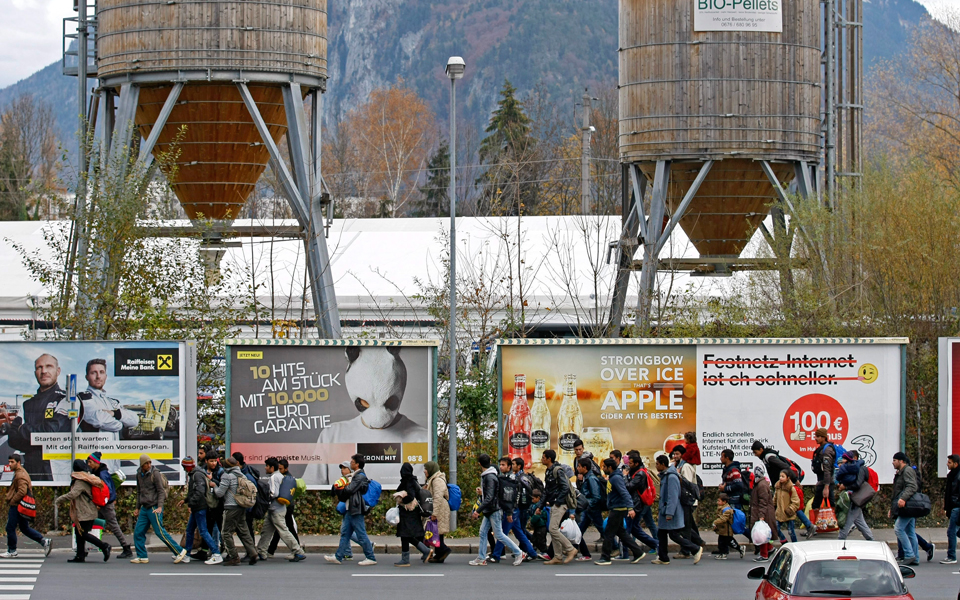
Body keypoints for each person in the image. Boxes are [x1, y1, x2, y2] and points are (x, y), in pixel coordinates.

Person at [304, 348, 428, 485]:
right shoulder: (331, 436)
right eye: (365, 403)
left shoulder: (422, 439)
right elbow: (311, 488)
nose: (377, 418)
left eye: (388, 402)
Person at [3, 354, 73, 481]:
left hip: (57, 473)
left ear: (58, 371)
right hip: (31, 471)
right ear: (35, 372)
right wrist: (39, 441)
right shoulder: (27, 404)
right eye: (39, 367)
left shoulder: (65, 400)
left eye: (49, 366)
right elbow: (12, 439)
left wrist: (22, 430)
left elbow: (51, 433)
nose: (44, 371)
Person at [77, 358, 139, 474]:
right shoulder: (83, 398)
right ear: (87, 377)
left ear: (106, 376)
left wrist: (115, 413)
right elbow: (99, 420)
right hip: (95, 466)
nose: (98, 376)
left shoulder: (112, 402)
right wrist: (120, 423)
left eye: (101, 372)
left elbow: (135, 420)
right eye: (93, 372)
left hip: (114, 465)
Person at [469, 453, 526, 566]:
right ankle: (481, 558)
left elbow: (490, 497)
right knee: (483, 532)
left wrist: (478, 510)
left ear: (479, 464)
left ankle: (519, 552)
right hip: (490, 509)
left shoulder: (489, 476)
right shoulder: (490, 475)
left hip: (493, 510)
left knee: (499, 534)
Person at [132, 454, 187, 564]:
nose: (149, 465)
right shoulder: (139, 474)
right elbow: (139, 491)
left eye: (149, 463)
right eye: (146, 463)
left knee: (160, 532)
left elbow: (161, 491)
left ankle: (179, 551)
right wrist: (137, 508)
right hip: (144, 507)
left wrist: (160, 507)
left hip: (154, 506)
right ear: (142, 465)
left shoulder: (155, 473)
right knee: (138, 532)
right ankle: (142, 556)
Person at [55, 459, 112, 563]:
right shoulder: (85, 477)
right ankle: (80, 556)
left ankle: (104, 546)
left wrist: (59, 499)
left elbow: (73, 494)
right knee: (79, 533)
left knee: (82, 534)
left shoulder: (80, 480)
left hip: (86, 512)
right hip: (86, 510)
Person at [325, 454, 377, 565]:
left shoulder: (359, 476)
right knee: (345, 533)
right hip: (351, 508)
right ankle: (338, 557)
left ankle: (371, 557)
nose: (351, 463)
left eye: (352, 461)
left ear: (357, 464)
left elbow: (349, 490)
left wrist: (339, 489)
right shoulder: (355, 475)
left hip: (356, 509)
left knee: (361, 534)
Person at [652, 455, 702, 565]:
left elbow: (673, 496)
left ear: (663, 464)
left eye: (657, 464)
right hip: (665, 510)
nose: (656, 466)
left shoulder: (671, 477)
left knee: (674, 535)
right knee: (662, 534)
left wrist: (669, 513)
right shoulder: (666, 476)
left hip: (671, 512)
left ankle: (695, 549)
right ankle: (663, 557)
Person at [595, 458, 646, 565]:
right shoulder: (613, 477)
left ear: (610, 467)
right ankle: (638, 552)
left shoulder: (616, 478)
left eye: (604, 467)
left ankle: (605, 557)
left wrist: (630, 508)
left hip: (618, 509)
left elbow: (624, 493)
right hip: (616, 508)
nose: (603, 469)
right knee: (621, 533)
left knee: (608, 533)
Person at [256, 457, 305, 562]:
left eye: (267, 466)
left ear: (272, 467)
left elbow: (274, 493)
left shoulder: (274, 477)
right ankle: (261, 551)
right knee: (266, 530)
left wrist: (264, 497)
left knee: (283, 531)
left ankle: (298, 551)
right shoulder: (281, 476)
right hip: (277, 508)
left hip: (276, 509)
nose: (265, 468)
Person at [2, 454, 51, 558]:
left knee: (10, 527)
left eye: (12, 462)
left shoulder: (20, 475)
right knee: (24, 528)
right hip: (21, 505)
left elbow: (22, 491)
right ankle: (43, 541)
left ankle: (12, 550)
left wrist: (13, 501)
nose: (10, 464)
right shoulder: (20, 472)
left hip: (17, 505)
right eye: (9, 462)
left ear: (18, 463)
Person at [491, 456, 538, 563]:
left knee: (502, 533)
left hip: (512, 510)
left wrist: (509, 511)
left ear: (509, 467)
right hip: (516, 509)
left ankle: (496, 555)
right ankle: (532, 552)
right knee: (518, 532)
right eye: (500, 465)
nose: (501, 467)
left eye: (503, 465)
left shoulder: (511, 479)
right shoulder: (518, 477)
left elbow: (510, 498)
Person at [86, 452, 132, 559]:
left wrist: (102, 503)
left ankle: (126, 548)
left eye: (90, 462)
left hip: (105, 505)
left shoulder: (102, 474)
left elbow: (107, 490)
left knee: (113, 526)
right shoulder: (97, 471)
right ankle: (85, 548)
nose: (88, 464)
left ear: (96, 462)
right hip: (101, 504)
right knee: (89, 524)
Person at [215, 455, 258, 566]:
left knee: (226, 533)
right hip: (241, 506)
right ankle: (253, 553)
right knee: (244, 531)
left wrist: (214, 486)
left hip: (231, 507)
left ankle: (234, 557)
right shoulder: (241, 475)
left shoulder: (227, 476)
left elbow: (220, 493)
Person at [180, 456, 222, 565]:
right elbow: (194, 491)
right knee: (190, 530)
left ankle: (216, 553)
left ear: (188, 467)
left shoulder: (197, 475)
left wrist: (190, 502)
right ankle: (187, 554)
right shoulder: (196, 473)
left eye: (184, 467)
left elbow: (199, 491)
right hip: (196, 507)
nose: (184, 469)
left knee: (203, 531)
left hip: (199, 507)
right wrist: (185, 500)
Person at [539, 449, 577, 565]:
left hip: (560, 504)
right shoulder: (548, 471)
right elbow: (546, 491)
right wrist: (540, 506)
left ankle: (570, 549)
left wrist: (558, 502)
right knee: (553, 529)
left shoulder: (557, 470)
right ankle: (558, 556)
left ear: (549, 459)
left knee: (553, 529)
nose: (542, 459)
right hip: (553, 504)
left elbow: (565, 487)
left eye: (543, 457)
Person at [392, 462, 432, 566]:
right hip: (412, 513)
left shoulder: (408, 481)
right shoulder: (414, 480)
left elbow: (411, 496)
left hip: (408, 513)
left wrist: (401, 500)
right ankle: (425, 550)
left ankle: (406, 559)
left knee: (405, 535)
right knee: (407, 535)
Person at [622, 451, 658, 558]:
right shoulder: (635, 472)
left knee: (629, 529)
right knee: (635, 529)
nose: (629, 465)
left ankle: (626, 553)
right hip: (638, 504)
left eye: (631, 463)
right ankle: (656, 544)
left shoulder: (640, 474)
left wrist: (625, 476)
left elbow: (629, 487)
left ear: (636, 464)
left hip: (637, 505)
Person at [671, 444, 705, 557]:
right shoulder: (679, 466)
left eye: (677, 454)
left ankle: (686, 551)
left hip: (688, 501)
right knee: (689, 525)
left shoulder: (685, 467)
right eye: (674, 454)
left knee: (684, 526)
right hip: (685, 501)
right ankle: (699, 542)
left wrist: (677, 474)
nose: (675, 456)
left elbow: (687, 484)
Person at [836, 451, 874, 542]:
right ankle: (871, 541)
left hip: (855, 500)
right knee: (861, 523)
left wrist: (845, 486)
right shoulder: (852, 469)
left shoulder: (860, 469)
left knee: (845, 524)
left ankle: (840, 543)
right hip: (854, 499)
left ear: (855, 458)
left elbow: (858, 484)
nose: (845, 461)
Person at [267, 459, 300, 558]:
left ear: (286, 468)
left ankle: (296, 550)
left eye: (281, 468)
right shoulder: (284, 477)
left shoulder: (287, 478)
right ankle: (271, 551)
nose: (279, 470)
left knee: (286, 529)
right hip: (284, 506)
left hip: (286, 506)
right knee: (281, 529)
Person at [891, 451, 919, 566]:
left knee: (898, 529)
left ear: (901, 461)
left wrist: (903, 499)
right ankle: (915, 557)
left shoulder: (907, 471)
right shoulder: (902, 472)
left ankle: (909, 555)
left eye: (894, 460)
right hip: (906, 506)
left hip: (907, 506)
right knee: (910, 531)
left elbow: (912, 486)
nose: (892, 463)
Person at [574, 456, 604, 561]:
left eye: (579, 466)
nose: (577, 468)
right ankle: (581, 552)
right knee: (578, 531)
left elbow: (596, 496)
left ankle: (614, 547)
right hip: (588, 510)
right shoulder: (586, 477)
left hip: (592, 509)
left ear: (585, 468)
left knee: (602, 529)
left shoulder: (591, 478)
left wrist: (586, 504)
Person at [424, 461, 451, 563]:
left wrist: (434, 513)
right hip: (439, 507)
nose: (424, 471)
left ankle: (443, 550)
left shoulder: (437, 480)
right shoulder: (433, 479)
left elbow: (438, 497)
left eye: (426, 469)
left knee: (436, 531)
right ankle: (439, 554)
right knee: (437, 531)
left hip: (440, 508)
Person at [750, 464, 776, 562]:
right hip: (763, 512)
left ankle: (764, 555)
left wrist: (761, 515)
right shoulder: (760, 483)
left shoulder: (761, 485)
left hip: (764, 513)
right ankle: (770, 549)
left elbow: (763, 501)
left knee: (761, 534)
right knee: (762, 534)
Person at [202, 451, 224, 559]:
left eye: (215, 461)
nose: (214, 463)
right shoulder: (202, 470)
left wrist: (213, 480)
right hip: (207, 503)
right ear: (206, 461)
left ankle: (222, 548)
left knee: (221, 528)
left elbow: (223, 486)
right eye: (211, 461)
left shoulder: (220, 471)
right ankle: (205, 550)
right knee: (208, 528)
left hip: (218, 504)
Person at [233, 452, 260, 540]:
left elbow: (252, 491)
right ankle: (251, 551)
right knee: (245, 530)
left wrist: (248, 508)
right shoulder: (244, 472)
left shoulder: (246, 475)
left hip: (247, 508)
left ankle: (251, 551)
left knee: (247, 530)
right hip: (244, 507)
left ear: (237, 462)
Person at [811, 428, 836, 511]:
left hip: (825, 482)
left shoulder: (827, 450)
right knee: (828, 505)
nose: (815, 438)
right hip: (822, 481)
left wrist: (826, 487)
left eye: (818, 436)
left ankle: (832, 522)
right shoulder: (822, 449)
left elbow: (827, 469)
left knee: (816, 506)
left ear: (824, 437)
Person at [713, 494, 744, 559]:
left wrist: (715, 522)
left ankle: (740, 548)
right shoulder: (722, 508)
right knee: (722, 542)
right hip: (723, 530)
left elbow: (723, 519)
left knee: (730, 541)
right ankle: (723, 553)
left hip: (726, 530)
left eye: (719, 501)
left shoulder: (727, 510)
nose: (717, 502)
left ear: (724, 502)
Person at [774, 470, 801, 544]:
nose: (781, 478)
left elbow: (796, 501)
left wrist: (790, 509)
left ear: (788, 478)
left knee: (791, 531)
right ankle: (784, 541)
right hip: (779, 513)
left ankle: (795, 544)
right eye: (780, 476)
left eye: (783, 476)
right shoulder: (778, 487)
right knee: (776, 528)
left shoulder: (791, 488)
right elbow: (775, 499)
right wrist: (772, 506)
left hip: (789, 513)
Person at [943, 454, 960, 565]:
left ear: (955, 464)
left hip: (957, 507)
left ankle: (952, 556)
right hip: (954, 507)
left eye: (949, 462)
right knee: (955, 531)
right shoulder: (952, 475)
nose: (947, 464)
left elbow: (953, 493)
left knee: (951, 531)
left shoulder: (957, 476)